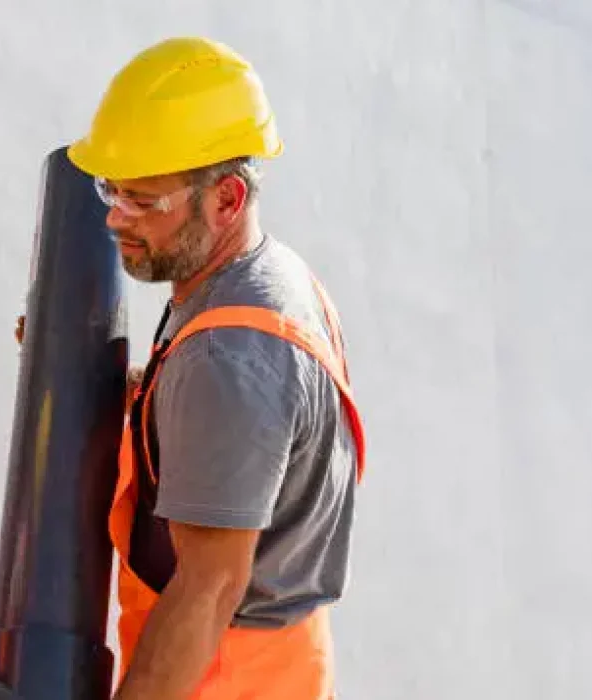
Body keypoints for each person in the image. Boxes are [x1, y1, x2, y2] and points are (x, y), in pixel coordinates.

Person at [63, 37, 368, 699]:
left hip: (217, 679)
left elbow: (207, 591)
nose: (116, 217)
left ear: (226, 199)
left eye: (144, 201)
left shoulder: (229, 356)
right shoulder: (268, 282)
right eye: (110, 190)